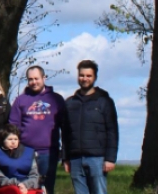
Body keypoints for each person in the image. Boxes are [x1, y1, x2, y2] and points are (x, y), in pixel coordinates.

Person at [61, 61, 118, 194]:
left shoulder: (104, 102)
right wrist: (65, 158)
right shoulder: (70, 103)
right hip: (75, 159)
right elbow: (65, 133)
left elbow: (112, 131)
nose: (84, 79)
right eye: (81, 75)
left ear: (94, 77)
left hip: (97, 159)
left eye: (88, 75)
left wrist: (110, 159)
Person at [9, 66, 65, 194]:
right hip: (25, 153)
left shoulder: (56, 99)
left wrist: (64, 152)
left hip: (48, 153)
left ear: (44, 78)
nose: (34, 82)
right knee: (25, 188)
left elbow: (64, 126)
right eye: (30, 79)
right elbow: (13, 126)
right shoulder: (21, 100)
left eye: (36, 78)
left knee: (46, 188)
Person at [0, 124, 41, 194]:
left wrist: (25, 185)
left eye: (16, 139)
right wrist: (16, 184)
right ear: (3, 140)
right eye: (10, 139)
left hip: (27, 188)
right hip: (5, 188)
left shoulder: (29, 152)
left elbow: (34, 176)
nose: (13, 142)